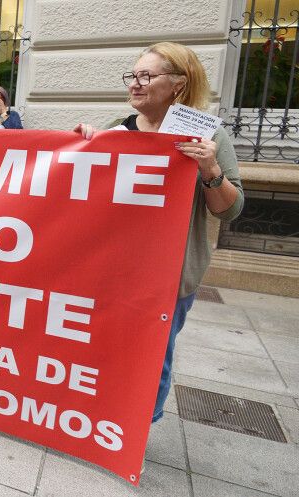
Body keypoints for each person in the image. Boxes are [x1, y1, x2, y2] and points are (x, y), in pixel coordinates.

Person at [74, 42, 244, 432]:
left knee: (152, 356)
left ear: (179, 84)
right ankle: (103, 420)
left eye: (146, 76)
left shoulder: (208, 134)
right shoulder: (120, 130)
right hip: (117, 271)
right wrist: (88, 145)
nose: (135, 84)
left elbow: (229, 209)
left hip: (169, 276)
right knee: (108, 350)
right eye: (132, 76)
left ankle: (134, 433)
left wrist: (210, 167)